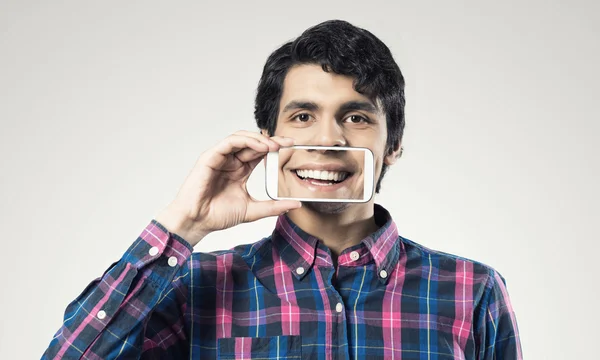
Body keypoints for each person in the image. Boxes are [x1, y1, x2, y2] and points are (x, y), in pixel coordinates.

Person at [42, 20, 522, 359]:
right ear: (268, 139)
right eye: (302, 116)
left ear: (392, 144)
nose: (327, 141)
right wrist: (184, 224)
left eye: (355, 117)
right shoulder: (194, 287)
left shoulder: (473, 292)